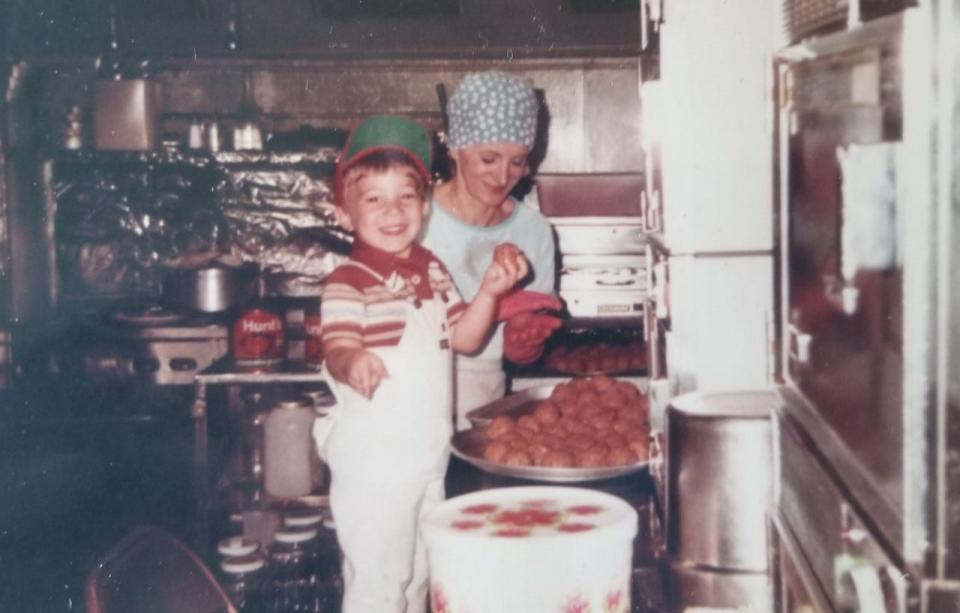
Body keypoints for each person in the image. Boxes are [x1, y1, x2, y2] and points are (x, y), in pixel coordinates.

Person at [316, 114, 529, 613]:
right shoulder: (349, 279)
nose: (393, 211)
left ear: (425, 207)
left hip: (427, 459)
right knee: (379, 582)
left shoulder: (431, 270)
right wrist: (354, 361)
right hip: (375, 466)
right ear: (345, 214)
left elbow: (467, 339)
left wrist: (491, 292)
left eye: (406, 196)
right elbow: (337, 345)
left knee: (418, 576)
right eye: (374, 199)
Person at [421, 70, 562, 429]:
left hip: (485, 399)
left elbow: (520, 352)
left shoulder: (534, 232)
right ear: (455, 148)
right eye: (488, 159)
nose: (502, 177)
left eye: (516, 162)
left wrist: (524, 342)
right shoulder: (414, 220)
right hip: (411, 389)